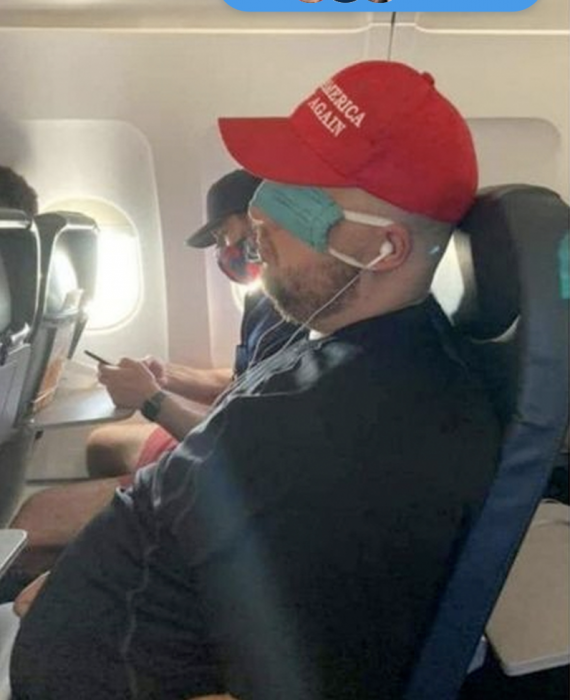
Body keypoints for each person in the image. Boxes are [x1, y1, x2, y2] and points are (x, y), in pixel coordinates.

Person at [11, 61, 501, 700]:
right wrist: (78, 577)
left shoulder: (346, 434)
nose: (261, 215)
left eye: (298, 200)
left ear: (387, 250)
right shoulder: (342, 341)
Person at [3, 170, 300, 584]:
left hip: (231, 470)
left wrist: (152, 400)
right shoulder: (263, 298)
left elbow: (241, 447)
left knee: (35, 517)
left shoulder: (295, 313)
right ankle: (105, 549)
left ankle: (86, 569)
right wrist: (167, 376)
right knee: (102, 444)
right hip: (224, 439)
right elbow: (241, 381)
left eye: (223, 235)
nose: (222, 252)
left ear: (258, 223)